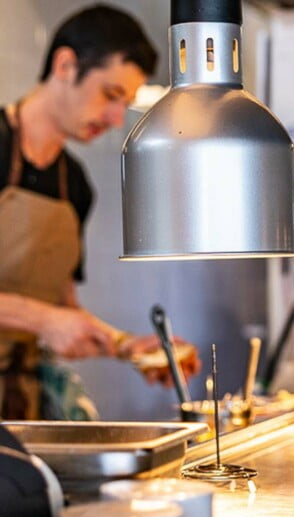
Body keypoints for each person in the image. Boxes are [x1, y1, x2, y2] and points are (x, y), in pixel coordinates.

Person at [0, 4, 199, 419]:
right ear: (65, 64)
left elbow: (62, 307)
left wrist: (126, 345)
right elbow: (49, 317)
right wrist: (43, 319)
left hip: (20, 407)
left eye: (123, 103)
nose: (113, 119)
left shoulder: (74, 183)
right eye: (110, 95)